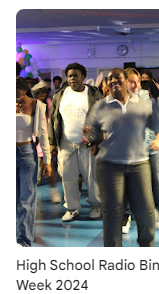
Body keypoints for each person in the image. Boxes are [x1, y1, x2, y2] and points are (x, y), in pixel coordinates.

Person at [82, 68, 159, 247]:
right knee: (113, 213)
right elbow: (92, 133)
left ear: (127, 81)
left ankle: (147, 247)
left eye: (117, 77)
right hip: (110, 165)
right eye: (110, 79)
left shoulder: (142, 103)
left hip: (139, 163)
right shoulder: (101, 105)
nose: (113, 81)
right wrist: (89, 136)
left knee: (145, 211)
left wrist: (158, 101)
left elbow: (158, 125)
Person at [48, 63, 103, 222]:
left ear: (83, 77)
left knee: (92, 177)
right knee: (68, 177)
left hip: (88, 144)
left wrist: (96, 142)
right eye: (70, 75)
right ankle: (72, 208)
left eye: (76, 75)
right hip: (66, 143)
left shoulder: (93, 94)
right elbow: (53, 120)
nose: (72, 78)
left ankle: (95, 206)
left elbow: (102, 119)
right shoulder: (60, 95)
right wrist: (52, 143)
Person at [124, 68, 159, 232]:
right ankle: (127, 215)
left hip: (149, 148)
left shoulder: (147, 96)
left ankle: (156, 211)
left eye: (137, 81)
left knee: (153, 184)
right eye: (131, 81)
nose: (135, 85)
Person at [16, 77, 52, 247]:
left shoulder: (37, 105)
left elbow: (43, 134)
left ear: (24, 90)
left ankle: (24, 239)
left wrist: (47, 160)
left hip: (27, 154)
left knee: (26, 198)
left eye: (17, 93)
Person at [31, 81, 62, 203]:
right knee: (33, 170)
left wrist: (53, 140)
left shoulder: (49, 104)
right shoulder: (32, 104)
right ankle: (32, 194)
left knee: (49, 167)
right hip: (33, 140)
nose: (43, 94)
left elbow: (53, 121)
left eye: (44, 92)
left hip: (46, 140)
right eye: (40, 92)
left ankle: (54, 191)